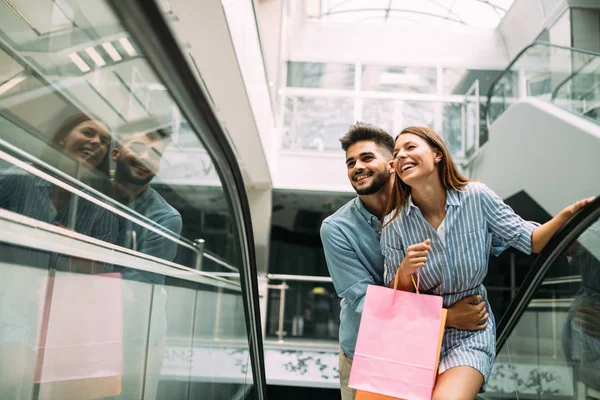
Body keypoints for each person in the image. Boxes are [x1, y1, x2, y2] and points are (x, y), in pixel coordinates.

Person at [381, 126, 593, 399]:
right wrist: (405, 270)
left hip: (471, 332)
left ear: (436, 154)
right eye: (396, 154)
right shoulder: (394, 223)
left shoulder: (476, 197)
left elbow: (531, 240)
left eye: (410, 147)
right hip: (418, 335)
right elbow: (395, 302)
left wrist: (567, 216)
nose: (401, 156)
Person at [320, 122, 493, 400]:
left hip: (440, 348)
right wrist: (447, 317)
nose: (356, 167)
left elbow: (486, 244)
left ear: (393, 164)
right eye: (350, 162)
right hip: (368, 351)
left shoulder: (430, 204)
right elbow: (364, 301)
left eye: (367, 158)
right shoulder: (336, 229)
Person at [0, 112, 118, 398]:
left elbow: (102, 272)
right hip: (9, 300)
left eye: (104, 140)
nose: (96, 143)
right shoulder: (19, 178)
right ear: (64, 136)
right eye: (88, 132)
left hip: (60, 314)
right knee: (14, 377)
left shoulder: (99, 205)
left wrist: (77, 248)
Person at [109, 124, 182, 400]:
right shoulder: (90, 193)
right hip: (89, 318)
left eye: (155, 154)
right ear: (115, 153)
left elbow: (136, 288)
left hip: (138, 334)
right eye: (138, 148)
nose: (146, 159)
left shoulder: (165, 217)